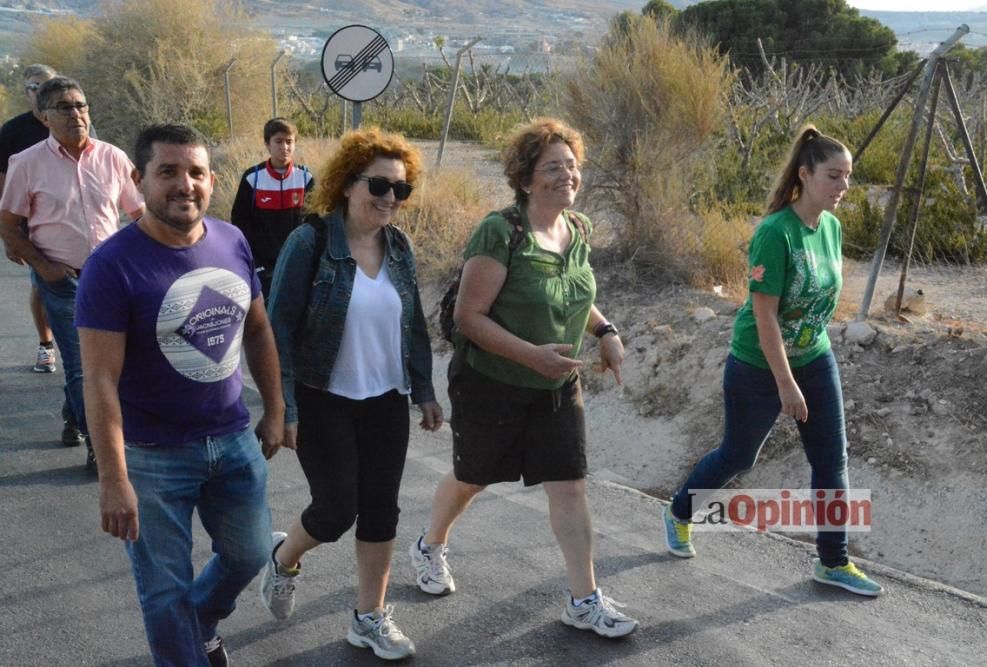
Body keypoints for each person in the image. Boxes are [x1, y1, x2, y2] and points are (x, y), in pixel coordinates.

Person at [408, 118, 638, 638]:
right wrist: (532, 357)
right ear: (527, 178)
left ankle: (584, 599)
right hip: (492, 383)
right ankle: (430, 545)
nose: (567, 176)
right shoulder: (500, 230)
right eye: (553, 167)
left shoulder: (577, 230)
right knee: (473, 478)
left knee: (570, 486)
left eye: (572, 166)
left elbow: (572, 293)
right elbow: (470, 317)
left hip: (558, 383)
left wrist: (605, 330)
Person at [76, 123, 286, 667]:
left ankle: (203, 620)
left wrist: (276, 408)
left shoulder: (231, 240)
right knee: (164, 594)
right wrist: (113, 477)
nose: (183, 184)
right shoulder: (112, 265)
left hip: (233, 439)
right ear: (138, 179)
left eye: (195, 172)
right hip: (152, 458)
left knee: (252, 554)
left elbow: (258, 329)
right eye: (167, 172)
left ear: (211, 180)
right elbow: (98, 380)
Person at [661, 125, 884, 597]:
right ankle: (680, 511)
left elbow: (820, 300)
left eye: (847, 177)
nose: (843, 187)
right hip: (758, 363)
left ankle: (833, 562)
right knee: (739, 455)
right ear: (805, 175)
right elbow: (764, 316)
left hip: (814, 356)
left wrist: (806, 362)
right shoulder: (774, 233)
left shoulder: (832, 227)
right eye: (834, 176)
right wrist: (785, 383)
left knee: (830, 460)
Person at [261, 127, 442, 661]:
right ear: (345, 183)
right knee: (337, 508)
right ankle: (283, 557)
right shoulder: (311, 241)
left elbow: (412, 328)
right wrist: (283, 407)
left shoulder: (400, 248)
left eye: (400, 190)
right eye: (379, 185)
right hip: (323, 395)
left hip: (385, 398)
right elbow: (278, 328)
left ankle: (369, 617)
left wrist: (425, 390)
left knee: (381, 509)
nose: (389, 198)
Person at [0, 76, 144, 469]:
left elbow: (140, 214)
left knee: (111, 362)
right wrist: (44, 267)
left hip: (110, 279)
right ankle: (102, 446)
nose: (77, 113)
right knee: (83, 365)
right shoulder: (26, 163)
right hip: (61, 281)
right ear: (44, 117)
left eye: (81, 105)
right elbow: (8, 223)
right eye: (65, 107)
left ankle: (73, 415)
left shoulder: (113, 157)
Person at [0, 64, 57, 374]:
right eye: (33, 87)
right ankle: (46, 345)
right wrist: (10, 236)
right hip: (30, 226)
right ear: (26, 94)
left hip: (76, 222)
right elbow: (3, 184)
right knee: (41, 286)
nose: (38, 92)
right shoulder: (12, 131)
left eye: (45, 86)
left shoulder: (74, 122)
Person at [230, 117, 313, 300]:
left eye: (289, 141)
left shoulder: (305, 177)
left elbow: (314, 219)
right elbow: (239, 219)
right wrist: (258, 253)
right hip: (263, 264)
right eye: (279, 141)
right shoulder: (253, 177)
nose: (284, 147)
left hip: (297, 260)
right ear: (267, 144)